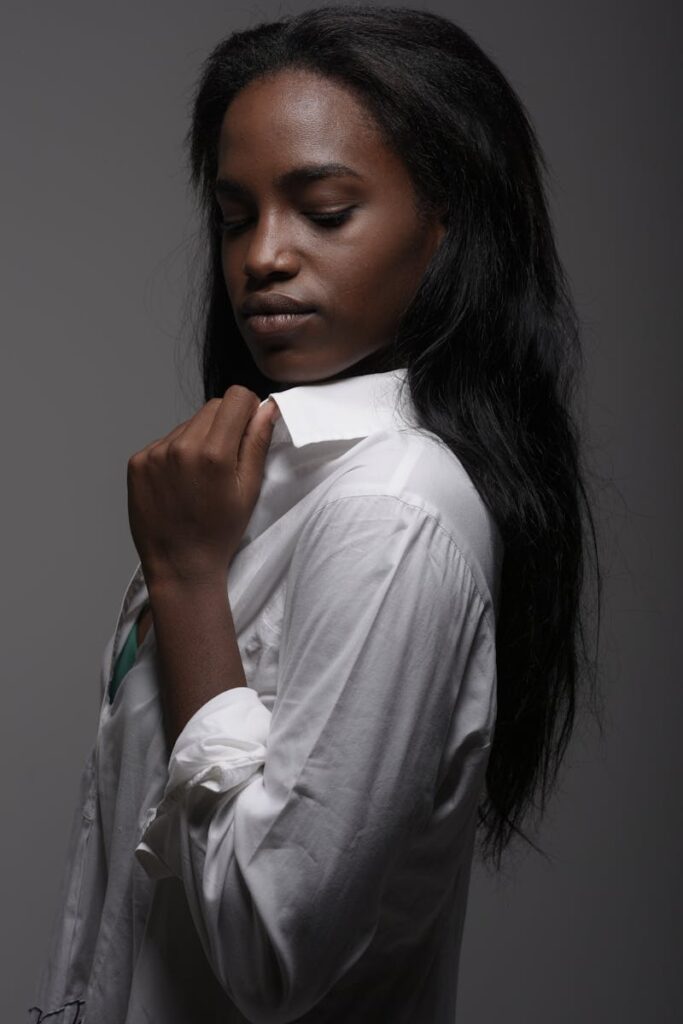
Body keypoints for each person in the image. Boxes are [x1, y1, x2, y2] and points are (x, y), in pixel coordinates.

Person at [28, 5, 602, 1022]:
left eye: (324, 210)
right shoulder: (256, 488)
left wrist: (191, 584)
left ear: (445, 224)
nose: (262, 256)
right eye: (235, 213)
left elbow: (273, 950)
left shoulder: (393, 511)